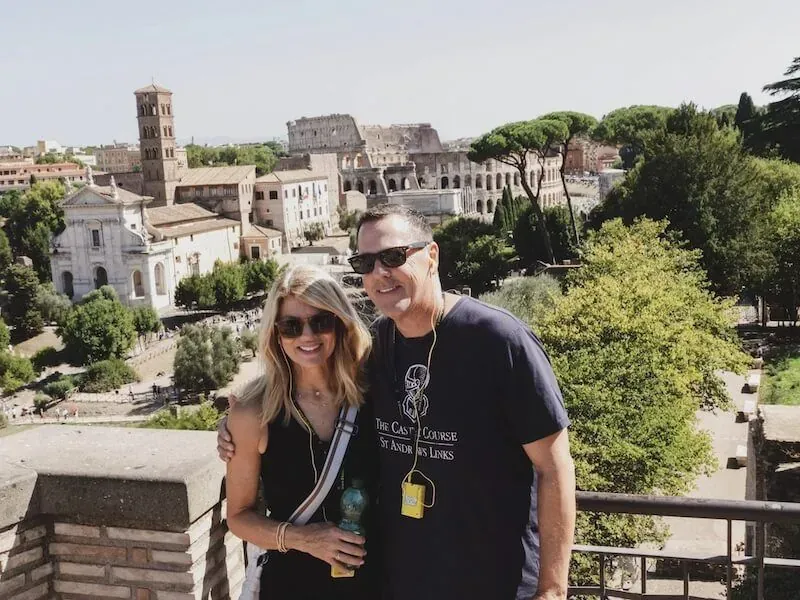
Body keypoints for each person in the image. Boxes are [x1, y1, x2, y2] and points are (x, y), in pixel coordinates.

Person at [220, 204, 576, 600]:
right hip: (400, 582)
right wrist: (234, 423)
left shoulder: (498, 341)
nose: (379, 273)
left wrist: (553, 589)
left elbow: (555, 465)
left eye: (393, 256)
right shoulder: (381, 350)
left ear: (432, 256)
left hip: (497, 581)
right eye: (365, 262)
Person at [224, 265, 379, 600]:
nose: (307, 336)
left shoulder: (375, 392)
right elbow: (238, 517)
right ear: (276, 335)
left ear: (339, 323)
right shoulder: (254, 413)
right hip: (292, 585)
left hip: (377, 581)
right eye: (291, 326)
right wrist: (304, 539)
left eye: (320, 321)